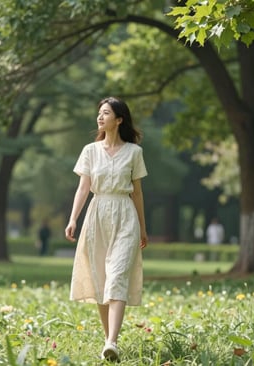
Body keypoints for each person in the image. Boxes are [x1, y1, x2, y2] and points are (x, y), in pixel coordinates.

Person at [65, 96, 148, 362]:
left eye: (106, 113)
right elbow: (83, 187)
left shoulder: (134, 153)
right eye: (99, 113)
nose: (100, 117)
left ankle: (112, 341)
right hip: (97, 214)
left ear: (119, 119)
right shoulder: (90, 150)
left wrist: (143, 229)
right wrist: (73, 218)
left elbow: (137, 194)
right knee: (101, 280)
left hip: (125, 216)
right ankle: (108, 342)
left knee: (117, 278)